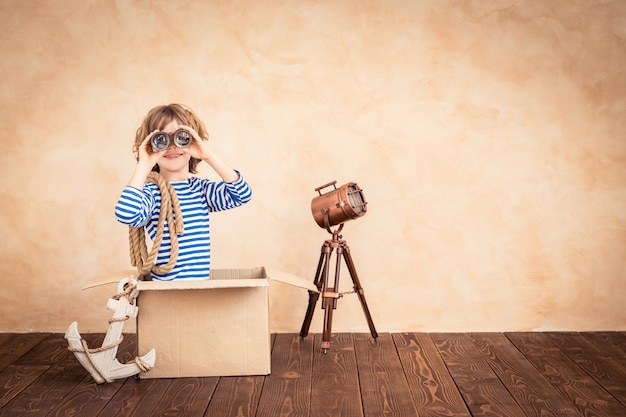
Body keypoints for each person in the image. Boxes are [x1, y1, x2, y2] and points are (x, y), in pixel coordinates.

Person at [115, 103, 252, 280]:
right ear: (150, 144)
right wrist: (144, 164)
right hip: (166, 293)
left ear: (193, 140)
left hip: (199, 291)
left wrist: (208, 156)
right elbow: (127, 215)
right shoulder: (153, 193)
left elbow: (241, 195)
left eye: (181, 137)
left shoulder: (200, 189)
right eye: (162, 139)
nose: (172, 146)